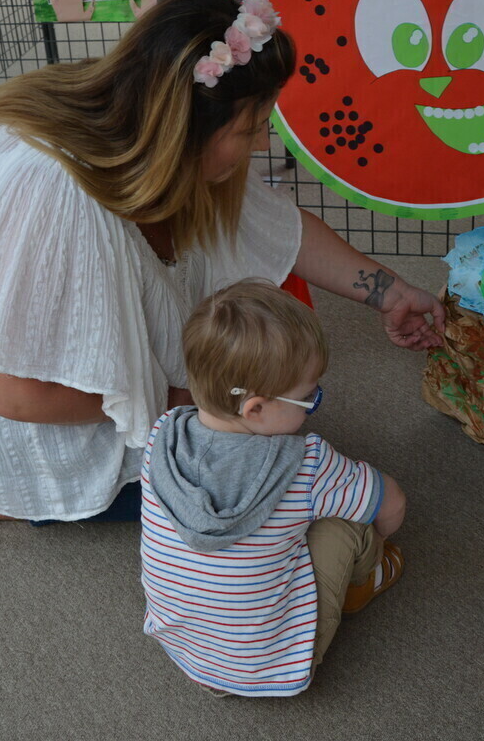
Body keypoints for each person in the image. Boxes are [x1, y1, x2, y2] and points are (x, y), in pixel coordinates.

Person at [0, 0, 443, 540]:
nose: (264, 145)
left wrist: (391, 294)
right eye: (251, 129)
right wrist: (199, 401)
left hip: (47, 373)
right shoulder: (54, 196)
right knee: (256, 489)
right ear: (190, 128)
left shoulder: (150, 125)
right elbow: (17, 396)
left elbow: (278, 229)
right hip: (17, 406)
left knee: (260, 429)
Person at [140, 280, 405, 696]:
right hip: (268, 666)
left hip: (186, 649)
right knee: (351, 520)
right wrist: (379, 539)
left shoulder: (161, 437)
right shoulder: (307, 465)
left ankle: (218, 668)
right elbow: (391, 501)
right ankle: (366, 579)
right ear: (255, 409)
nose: (316, 400)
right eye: (308, 397)